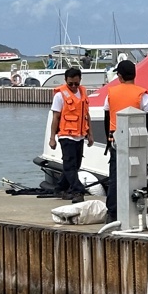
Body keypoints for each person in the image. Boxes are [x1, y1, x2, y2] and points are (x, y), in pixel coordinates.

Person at [103, 59, 148, 223]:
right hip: (137, 141)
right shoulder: (142, 94)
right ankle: (138, 211)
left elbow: (107, 118)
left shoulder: (111, 93)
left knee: (115, 177)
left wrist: (107, 140)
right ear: (135, 75)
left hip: (116, 139)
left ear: (118, 76)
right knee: (138, 176)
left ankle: (112, 213)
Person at [48, 67, 92, 202]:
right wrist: (52, 138)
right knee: (69, 165)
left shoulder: (83, 93)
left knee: (76, 164)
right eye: (70, 83)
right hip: (66, 135)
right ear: (65, 81)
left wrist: (90, 134)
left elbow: (86, 115)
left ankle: (60, 188)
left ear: (80, 81)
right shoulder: (60, 95)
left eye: (76, 84)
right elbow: (55, 117)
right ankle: (78, 191)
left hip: (79, 135)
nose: (73, 86)